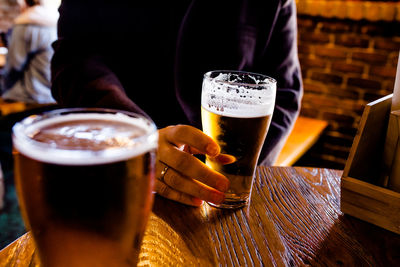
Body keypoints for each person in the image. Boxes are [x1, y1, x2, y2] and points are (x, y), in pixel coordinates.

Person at [51, 0, 303, 207]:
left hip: (222, 195)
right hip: (115, 174)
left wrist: (235, 174)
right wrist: (136, 137)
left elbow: (285, 92)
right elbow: (74, 61)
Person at [1, 0, 58, 104]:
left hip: (31, 96)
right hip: (52, 94)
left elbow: (14, 66)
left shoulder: (25, 23)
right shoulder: (52, 19)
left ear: (22, 2)